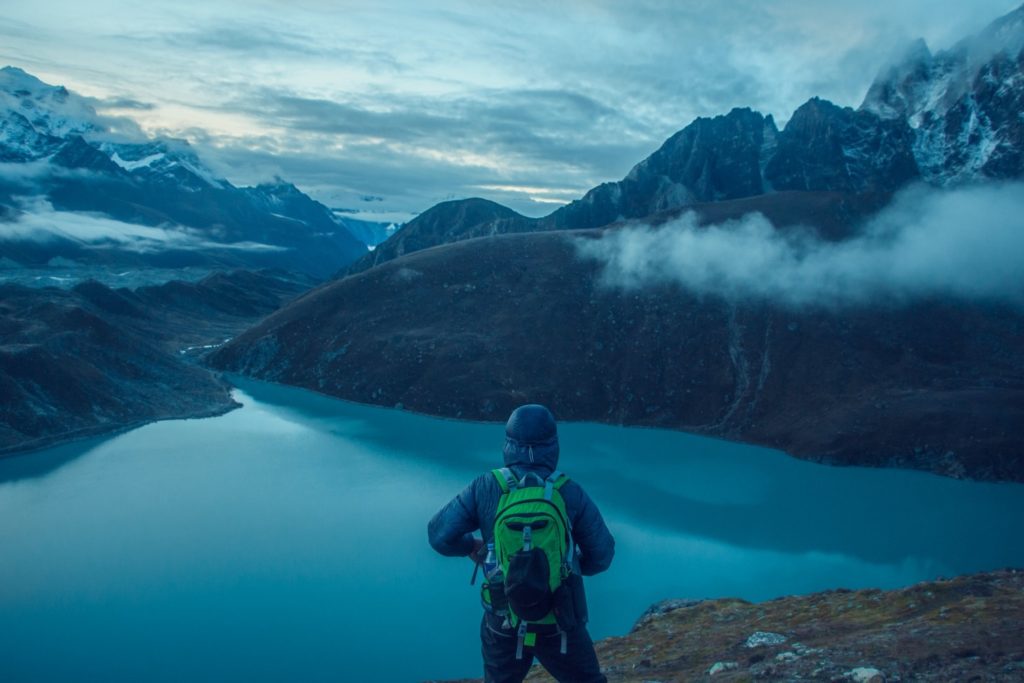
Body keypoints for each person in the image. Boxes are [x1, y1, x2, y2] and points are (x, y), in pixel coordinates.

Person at [428, 404, 615, 683]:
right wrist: (569, 565)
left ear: (508, 444)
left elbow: (439, 536)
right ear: (553, 445)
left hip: (504, 617)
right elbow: (602, 555)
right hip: (560, 617)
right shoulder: (569, 492)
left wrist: (470, 547)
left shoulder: (486, 487)